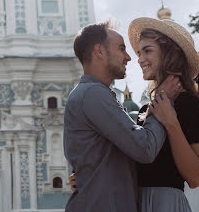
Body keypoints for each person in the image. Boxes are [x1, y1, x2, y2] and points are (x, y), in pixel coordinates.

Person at [63, 21, 181, 212]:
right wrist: (163, 101)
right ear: (99, 51)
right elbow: (145, 148)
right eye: (121, 49)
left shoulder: (89, 93)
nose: (128, 57)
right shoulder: (93, 94)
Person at [128, 17, 199, 212]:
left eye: (147, 51)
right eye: (139, 52)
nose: (139, 59)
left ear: (169, 54)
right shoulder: (143, 111)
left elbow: (196, 178)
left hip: (167, 205)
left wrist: (171, 122)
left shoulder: (190, 105)